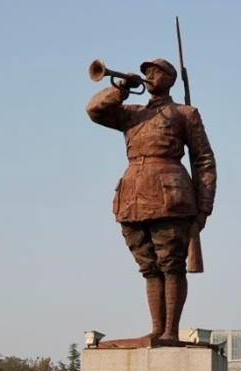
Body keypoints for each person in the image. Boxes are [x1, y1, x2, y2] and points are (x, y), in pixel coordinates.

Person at [86, 58, 216, 343]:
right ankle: (157, 329)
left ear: (170, 79)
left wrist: (203, 208)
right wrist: (121, 88)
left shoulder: (185, 113)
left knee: (171, 263)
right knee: (149, 267)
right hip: (132, 198)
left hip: (171, 198)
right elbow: (94, 110)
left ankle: (170, 331)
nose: (149, 76)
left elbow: (203, 161)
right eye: (146, 72)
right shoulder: (131, 114)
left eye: (156, 72)